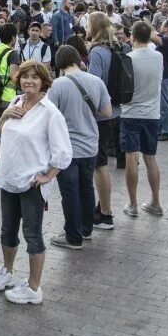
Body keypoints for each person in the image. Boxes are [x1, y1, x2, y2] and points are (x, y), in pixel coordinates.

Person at [0, 61, 71, 305]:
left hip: (32, 183)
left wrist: (48, 175)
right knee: (7, 229)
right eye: (25, 77)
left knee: (32, 234)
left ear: (43, 81)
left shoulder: (49, 113)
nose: (29, 81)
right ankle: (7, 271)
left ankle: (34, 288)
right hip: (9, 177)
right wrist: (3, 116)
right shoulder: (15, 103)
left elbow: (63, 152)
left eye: (34, 77)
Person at [47, 45, 112, 249]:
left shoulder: (56, 85)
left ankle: (72, 236)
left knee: (69, 192)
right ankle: (86, 229)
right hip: (91, 144)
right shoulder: (96, 81)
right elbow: (107, 112)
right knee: (86, 188)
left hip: (67, 148)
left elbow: (48, 116)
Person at [121, 22, 165, 217]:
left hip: (130, 112)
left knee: (131, 156)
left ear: (132, 36)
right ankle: (156, 201)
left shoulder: (128, 58)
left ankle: (133, 203)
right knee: (150, 157)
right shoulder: (158, 57)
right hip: (152, 113)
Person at [87, 11, 120, 228]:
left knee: (99, 164)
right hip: (116, 110)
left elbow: (95, 85)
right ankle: (104, 208)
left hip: (101, 114)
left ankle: (106, 213)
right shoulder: (117, 47)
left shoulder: (97, 51)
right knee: (101, 163)